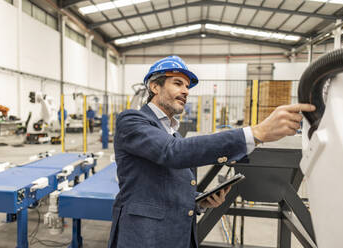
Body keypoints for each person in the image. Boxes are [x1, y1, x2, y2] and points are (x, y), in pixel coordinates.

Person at [108, 56, 315, 248]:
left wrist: (199, 200)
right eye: (177, 83)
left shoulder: (174, 134)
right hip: (144, 238)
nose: (186, 91)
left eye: (187, 86)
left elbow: (165, 183)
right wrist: (255, 133)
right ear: (154, 86)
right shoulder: (132, 121)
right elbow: (173, 153)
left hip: (177, 237)